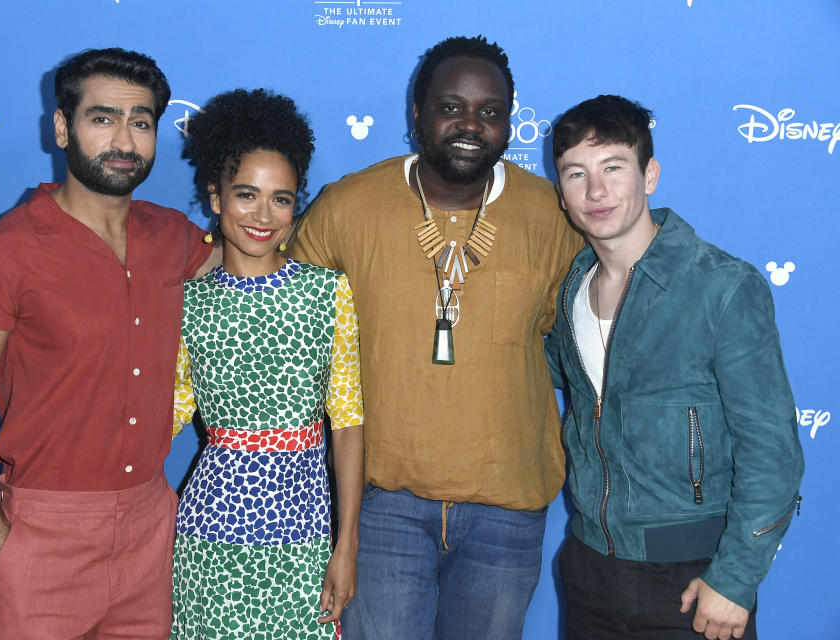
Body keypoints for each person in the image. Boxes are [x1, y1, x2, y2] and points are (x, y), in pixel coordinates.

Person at [288, 36, 582, 638]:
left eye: (491, 112)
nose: (471, 124)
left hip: (507, 505)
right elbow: (280, 309)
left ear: (508, 123)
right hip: (383, 504)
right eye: (451, 106)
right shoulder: (347, 206)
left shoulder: (555, 215)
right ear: (417, 113)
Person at [0, 48, 214, 639]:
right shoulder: (1, 253)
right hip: (40, 538)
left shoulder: (174, 237)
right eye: (102, 118)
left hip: (151, 533)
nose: (124, 140)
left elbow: (257, 255)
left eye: (141, 122)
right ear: (62, 127)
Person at [547, 94, 804, 640]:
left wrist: (735, 579)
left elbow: (773, 453)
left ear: (650, 175)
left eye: (614, 167)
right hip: (589, 571)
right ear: (562, 193)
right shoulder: (571, 287)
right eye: (576, 174)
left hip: (692, 584)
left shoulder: (722, 286)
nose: (597, 191)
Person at [170, 88, 364, 640]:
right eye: (246, 195)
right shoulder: (189, 300)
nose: (263, 214)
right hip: (209, 531)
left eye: (281, 199)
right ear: (215, 197)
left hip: (304, 531)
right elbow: (172, 411)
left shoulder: (328, 293)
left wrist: (345, 545)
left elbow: (347, 424)